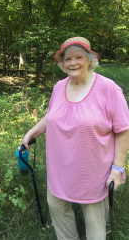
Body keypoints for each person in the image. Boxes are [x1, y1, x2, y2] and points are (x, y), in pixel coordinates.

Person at [20, 37, 129, 240]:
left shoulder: (109, 89)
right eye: (67, 59)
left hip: (93, 173)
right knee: (57, 208)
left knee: (95, 224)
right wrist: (31, 132)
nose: (72, 63)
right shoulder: (59, 87)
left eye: (78, 57)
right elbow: (51, 117)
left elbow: (123, 129)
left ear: (90, 60)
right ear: (62, 64)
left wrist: (118, 168)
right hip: (59, 168)